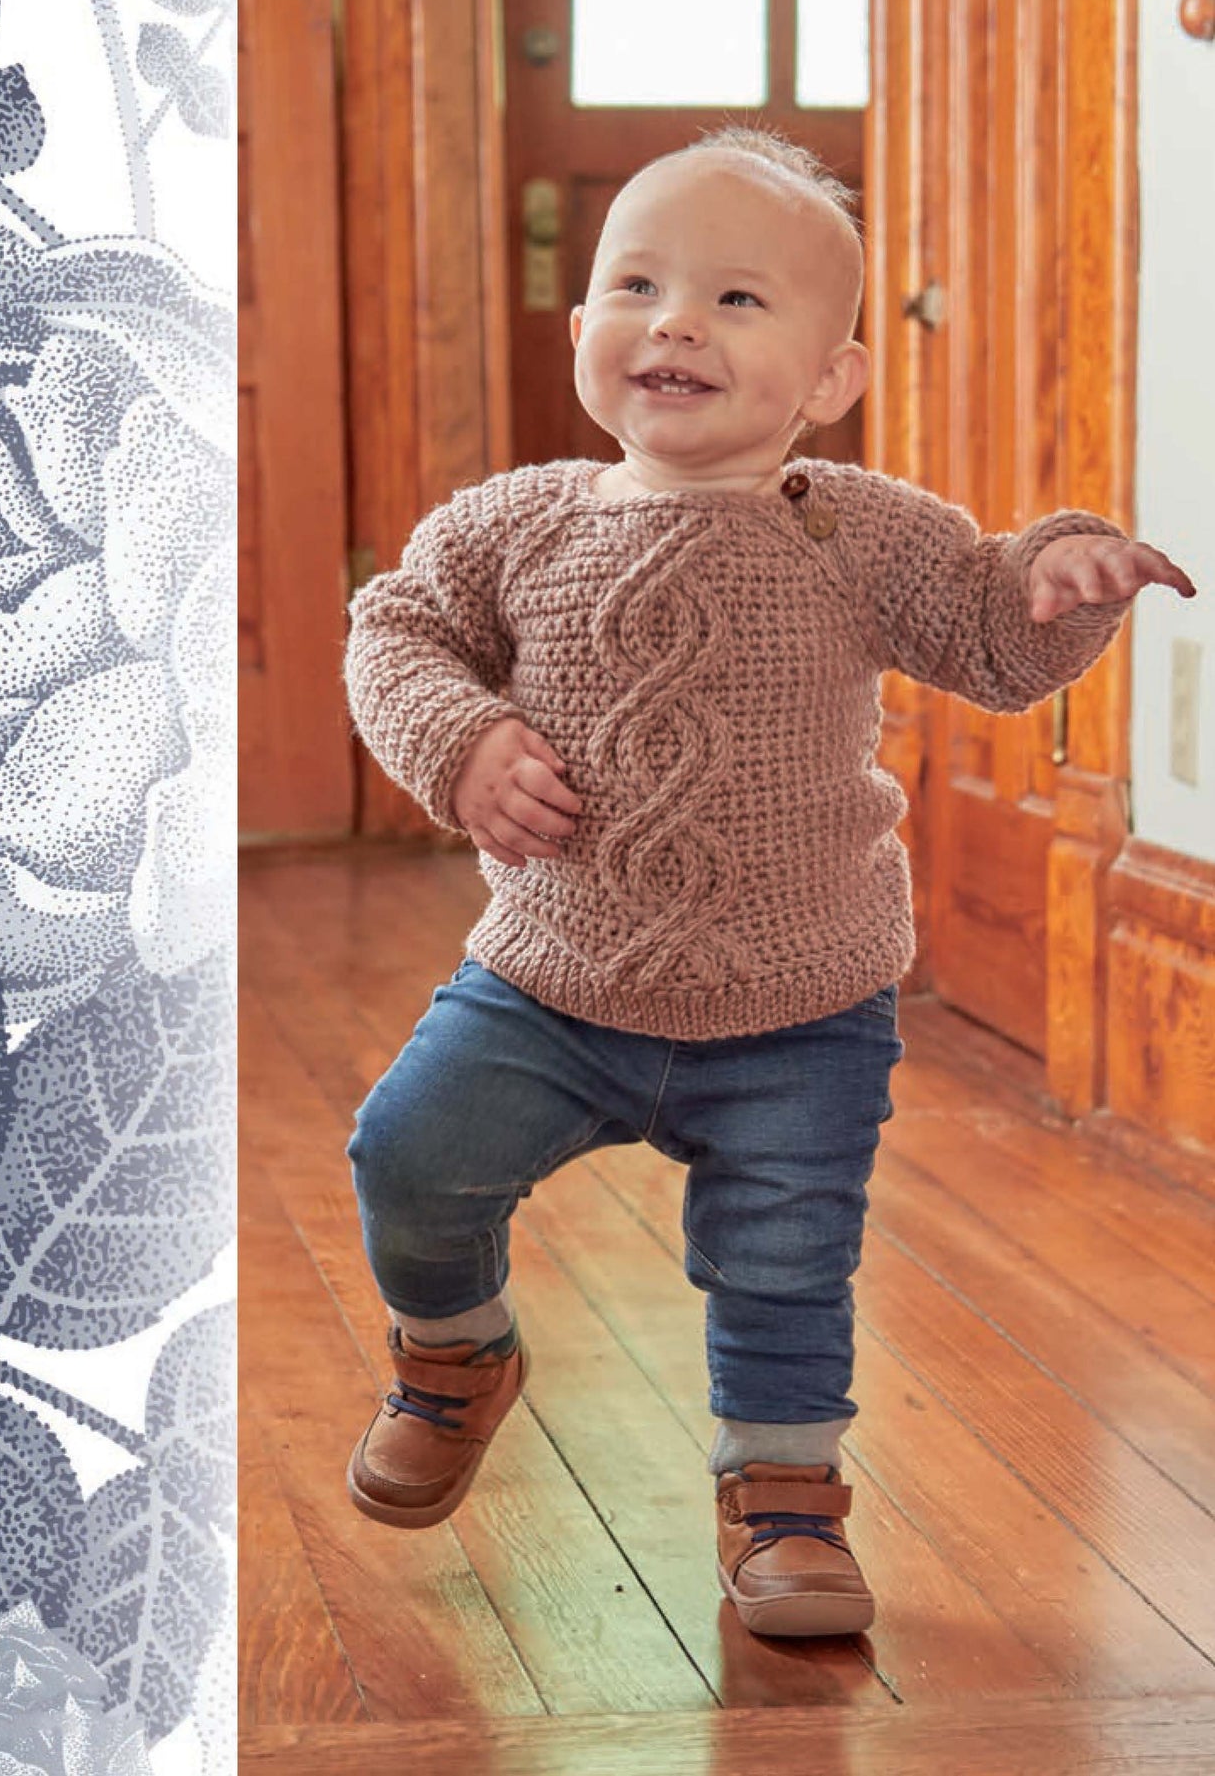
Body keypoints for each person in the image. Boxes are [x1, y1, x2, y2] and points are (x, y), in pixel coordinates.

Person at [338, 127, 1196, 1637]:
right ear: (581, 330)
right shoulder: (515, 521)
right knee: (408, 1151)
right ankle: (455, 1353)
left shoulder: (858, 531)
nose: (673, 321)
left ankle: (785, 1497)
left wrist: (1059, 577)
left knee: (787, 1255)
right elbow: (392, 629)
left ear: (829, 380)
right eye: (638, 285)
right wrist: (459, 742)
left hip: (801, 996)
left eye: (737, 300)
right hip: (549, 979)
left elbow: (990, 629)